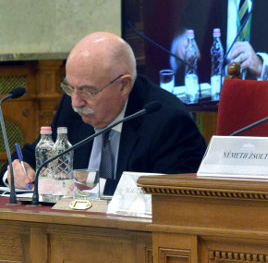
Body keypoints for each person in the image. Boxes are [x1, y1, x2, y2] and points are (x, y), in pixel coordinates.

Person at [8, 32, 204, 195]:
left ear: (123, 85)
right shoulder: (73, 105)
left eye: (88, 91)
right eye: (70, 87)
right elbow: (32, 157)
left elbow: (173, 198)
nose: (76, 102)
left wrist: (84, 187)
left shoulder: (168, 122)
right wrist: (16, 171)